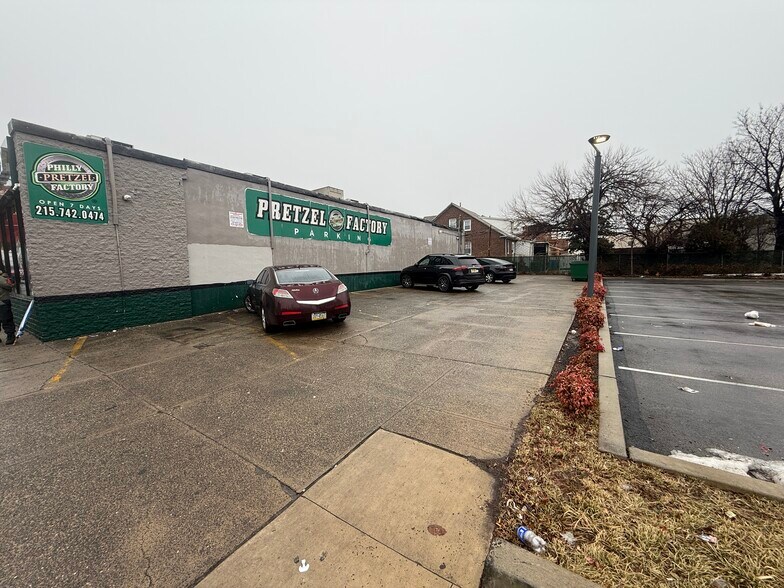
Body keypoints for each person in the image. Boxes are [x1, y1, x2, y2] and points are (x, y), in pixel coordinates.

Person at [0, 264, 16, 345]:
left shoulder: (1, 278)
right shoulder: (2, 278)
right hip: (3, 301)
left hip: (3, 301)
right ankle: (10, 336)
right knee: (6, 319)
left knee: (6, 319)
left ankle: (10, 336)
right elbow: (9, 286)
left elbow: (8, 286)